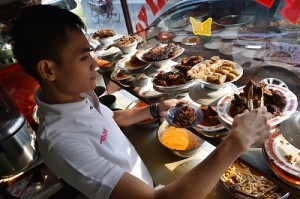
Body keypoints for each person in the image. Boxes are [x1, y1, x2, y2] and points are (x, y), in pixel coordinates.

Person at [10, 5, 272, 199]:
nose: (93, 62)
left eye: (90, 52)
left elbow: (109, 121)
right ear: (48, 70)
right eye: (82, 57)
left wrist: (156, 109)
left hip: (144, 179)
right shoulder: (61, 143)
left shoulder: (78, 95)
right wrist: (236, 142)